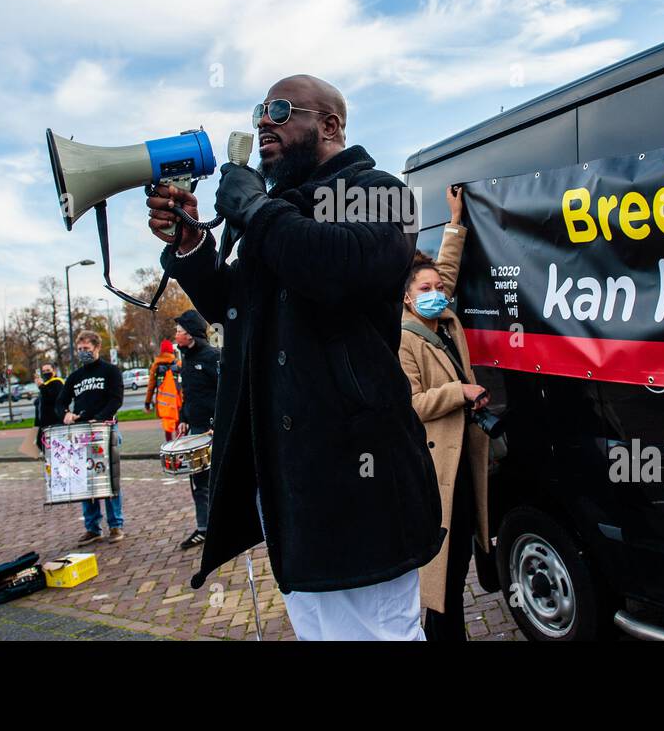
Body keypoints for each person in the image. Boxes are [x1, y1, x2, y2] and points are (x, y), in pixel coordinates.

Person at [147, 73, 442, 641]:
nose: (264, 121)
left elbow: (335, 266)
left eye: (281, 110)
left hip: (360, 484)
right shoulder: (280, 214)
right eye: (260, 109)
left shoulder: (376, 190)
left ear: (328, 125)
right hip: (295, 488)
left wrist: (255, 211)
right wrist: (192, 245)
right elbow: (237, 306)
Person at [398, 185, 491, 641]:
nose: (437, 292)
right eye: (426, 289)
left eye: (439, 288)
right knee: (444, 578)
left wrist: (455, 220)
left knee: (462, 562)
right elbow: (411, 405)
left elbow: (446, 268)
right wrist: (459, 391)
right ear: (407, 299)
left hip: (464, 459)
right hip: (437, 472)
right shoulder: (405, 339)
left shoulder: (442, 315)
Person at [59, 330, 126, 544]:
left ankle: (115, 525)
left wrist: (98, 418)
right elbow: (60, 402)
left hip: (105, 430)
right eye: (79, 350)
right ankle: (92, 527)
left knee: (109, 479)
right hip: (80, 435)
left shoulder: (110, 371)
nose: (83, 353)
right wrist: (66, 413)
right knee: (85, 482)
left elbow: (116, 400)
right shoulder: (75, 377)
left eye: (86, 349)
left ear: (97, 348)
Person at [170, 311, 219, 550]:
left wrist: (215, 425)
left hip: (213, 431)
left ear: (190, 335)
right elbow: (188, 396)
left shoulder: (213, 357)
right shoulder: (186, 360)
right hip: (196, 430)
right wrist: (183, 419)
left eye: (179, 330)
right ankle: (204, 529)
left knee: (220, 481)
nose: (176, 334)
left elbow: (226, 394)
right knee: (198, 482)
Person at [144, 339, 182, 442]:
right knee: (179, 427)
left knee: (167, 430)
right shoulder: (178, 364)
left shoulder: (156, 366)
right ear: (171, 351)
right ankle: (180, 450)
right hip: (177, 402)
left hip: (163, 404)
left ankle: (169, 453)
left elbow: (151, 386)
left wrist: (147, 402)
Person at [33, 361, 65, 455]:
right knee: (40, 442)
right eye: (44, 371)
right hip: (44, 421)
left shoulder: (57, 382)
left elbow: (52, 398)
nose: (46, 373)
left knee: (49, 443)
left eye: (48, 370)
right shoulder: (46, 383)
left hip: (53, 420)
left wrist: (41, 386)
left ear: (54, 371)